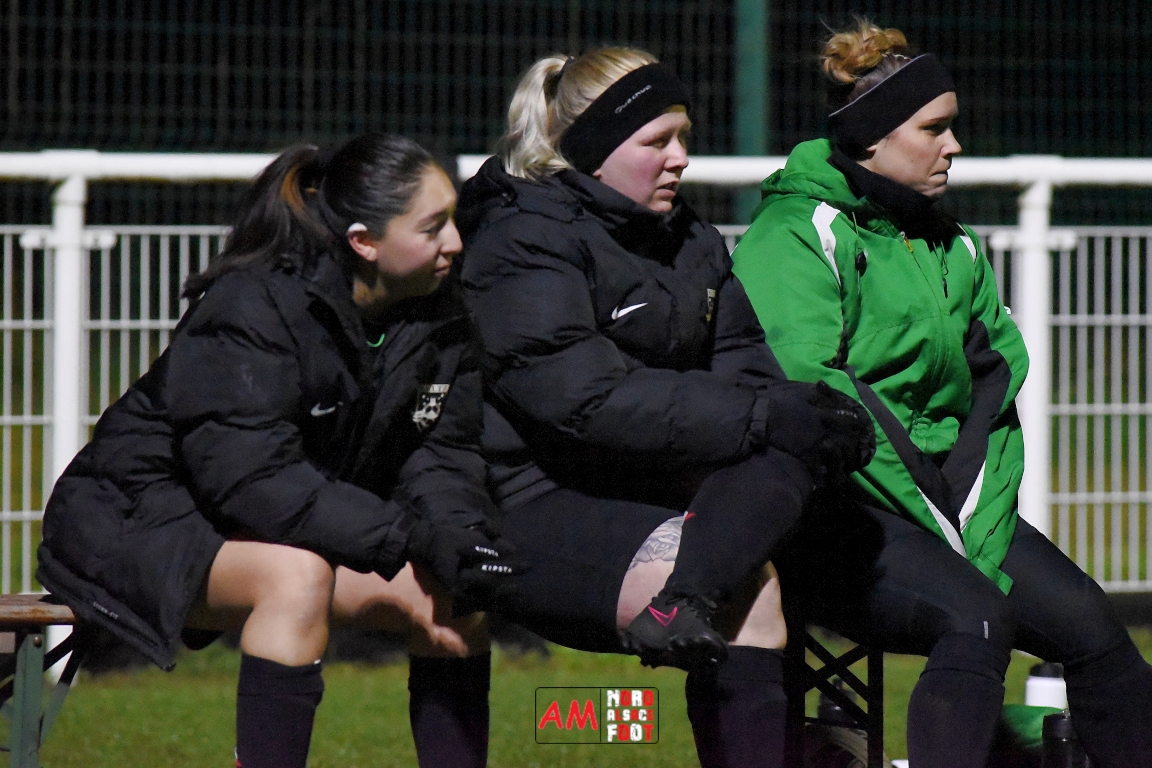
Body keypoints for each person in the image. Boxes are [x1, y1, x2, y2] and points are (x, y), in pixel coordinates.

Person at [731, 21, 1152, 768]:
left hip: (950, 506)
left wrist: (966, 509)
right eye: (934, 129)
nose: (954, 146)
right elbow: (816, 393)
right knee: (977, 620)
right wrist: (933, 509)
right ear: (873, 138)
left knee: (1095, 631)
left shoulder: (951, 241)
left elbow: (997, 374)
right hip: (834, 512)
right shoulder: (794, 232)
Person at [36, 133, 516, 768]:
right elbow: (251, 477)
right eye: (432, 227)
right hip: (131, 521)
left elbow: (438, 454)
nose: (454, 241)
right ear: (364, 242)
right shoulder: (254, 303)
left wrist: (457, 539)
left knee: (452, 602)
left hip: (265, 527)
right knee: (297, 577)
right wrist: (409, 538)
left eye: (452, 219)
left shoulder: (439, 313)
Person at [456, 48, 874, 768]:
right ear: (592, 148)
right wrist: (764, 418)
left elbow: (744, 366)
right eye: (657, 141)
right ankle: (689, 602)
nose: (680, 158)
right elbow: (586, 399)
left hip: (653, 485)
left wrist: (802, 416)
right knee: (752, 595)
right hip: (531, 503)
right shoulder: (519, 241)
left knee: (803, 454)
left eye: (683, 136)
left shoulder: (690, 239)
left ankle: (712, 630)